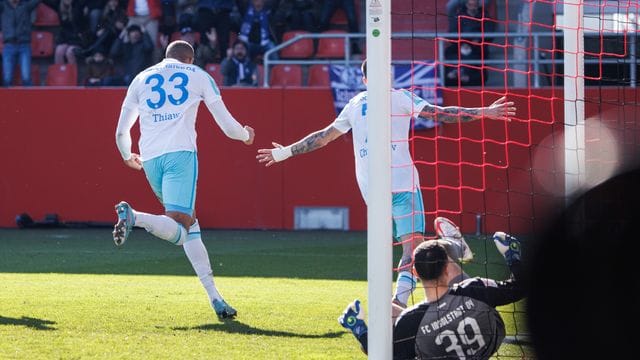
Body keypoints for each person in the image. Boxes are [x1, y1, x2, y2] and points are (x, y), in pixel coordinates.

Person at [256, 59, 515, 308]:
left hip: (374, 192)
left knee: (407, 251)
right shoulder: (397, 97)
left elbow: (323, 138)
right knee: (412, 250)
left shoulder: (355, 104)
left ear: (366, 79)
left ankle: (398, 302)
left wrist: (285, 152)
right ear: (385, 76)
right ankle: (451, 247)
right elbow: (441, 114)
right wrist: (485, 112)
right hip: (401, 185)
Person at [113, 40, 255, 320]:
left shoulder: (141, 78)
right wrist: (246, 135)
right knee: (179, 227)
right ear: (189, 59)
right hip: (181, 155)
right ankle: (135, 217)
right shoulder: (199, 76)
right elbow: (227, 126)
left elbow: (121, 131)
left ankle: (215, 298)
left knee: (190, 227)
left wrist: (127, 155)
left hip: (150, 159)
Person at [339, 232, 525, 359]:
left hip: (426, 328)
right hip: (485, 343)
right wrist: (512, 255)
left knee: (389, 314)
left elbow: (381, 354)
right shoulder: (473, 288)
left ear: (415, 272)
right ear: (447, 268)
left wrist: (359, 328)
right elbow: (519, 287)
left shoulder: (410, 320)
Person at [445, 0, 496, 87]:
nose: (472, 6)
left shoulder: (485, 18)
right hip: (459, 46)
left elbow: (489, 34)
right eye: (470, 4)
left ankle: (468, 77)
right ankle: (455, 73)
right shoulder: (458, 17)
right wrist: (463, 42)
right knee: (449, 54)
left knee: (479, 61)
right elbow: (452, 34)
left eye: (475, 5)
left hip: (478, 48)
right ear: (466, 5)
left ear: (478, 5)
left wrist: (477, 40)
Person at [0, 0, 41, 86]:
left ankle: (30, 99)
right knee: (7, 78)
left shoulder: (26, 6)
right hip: (8, 46)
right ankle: (7, 99)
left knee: (26, 77)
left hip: (24, 45)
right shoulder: (2, 6)